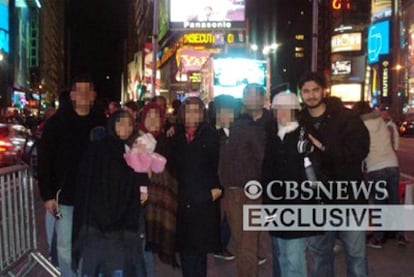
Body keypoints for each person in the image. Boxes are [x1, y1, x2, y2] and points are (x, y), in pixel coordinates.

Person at [298, 72, 370, 277]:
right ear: (301, 94)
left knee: (356, 255)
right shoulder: (300, 121)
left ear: (323, 90)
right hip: (317, 201)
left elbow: (359, 152)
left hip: (349, 197)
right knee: (320, 256)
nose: (311, 95)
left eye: (315, 90)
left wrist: (323, 147)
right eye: (306, 91)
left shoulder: (346, 118)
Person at [72, 110, 148, 276]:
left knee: (118, 268)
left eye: (129, 124)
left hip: (119, 228)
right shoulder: (97, 149)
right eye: (120, 122)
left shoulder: (131, 150)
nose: (125, 127)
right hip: (96, 225)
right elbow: (86, 182)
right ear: (112, 124)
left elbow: (138, 180)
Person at [37, 75, 98, 277]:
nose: (83, 94)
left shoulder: (101, 124)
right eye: (78, 90)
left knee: (89, 245)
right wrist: (47, 195)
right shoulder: (57, 123)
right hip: (65, 198)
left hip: (92, 199)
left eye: (87, 90)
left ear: (93, 95)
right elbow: (45, 160)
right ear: (72, 94)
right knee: (64, 245)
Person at [218, 86, 266, 277]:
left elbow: (261, 158)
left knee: (248, 243)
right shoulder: (220, 135)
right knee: (239, 242)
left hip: (250, 192)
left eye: (228, 110)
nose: (223, 114)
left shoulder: (248, 130)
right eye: (220, 111)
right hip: (231, 192)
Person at [173, 97, 222, 277]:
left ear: (203, 114)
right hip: (182, 199)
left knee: (199, 252)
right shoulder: (176, 137)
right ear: (182, 114)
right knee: (186, 250)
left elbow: (220, 165)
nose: (192, 114)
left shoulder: (211, 135)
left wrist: (215, 191)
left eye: (196, 110)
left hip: (203, 199)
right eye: (188, 110)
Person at [352, 102, 407, 248]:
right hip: (392, 164)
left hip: (376, 167)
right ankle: (400, 234)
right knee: (395, 201)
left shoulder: (360, 125)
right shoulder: (380, 121)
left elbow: (361, 147)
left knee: (379, 204)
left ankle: (379, 238)